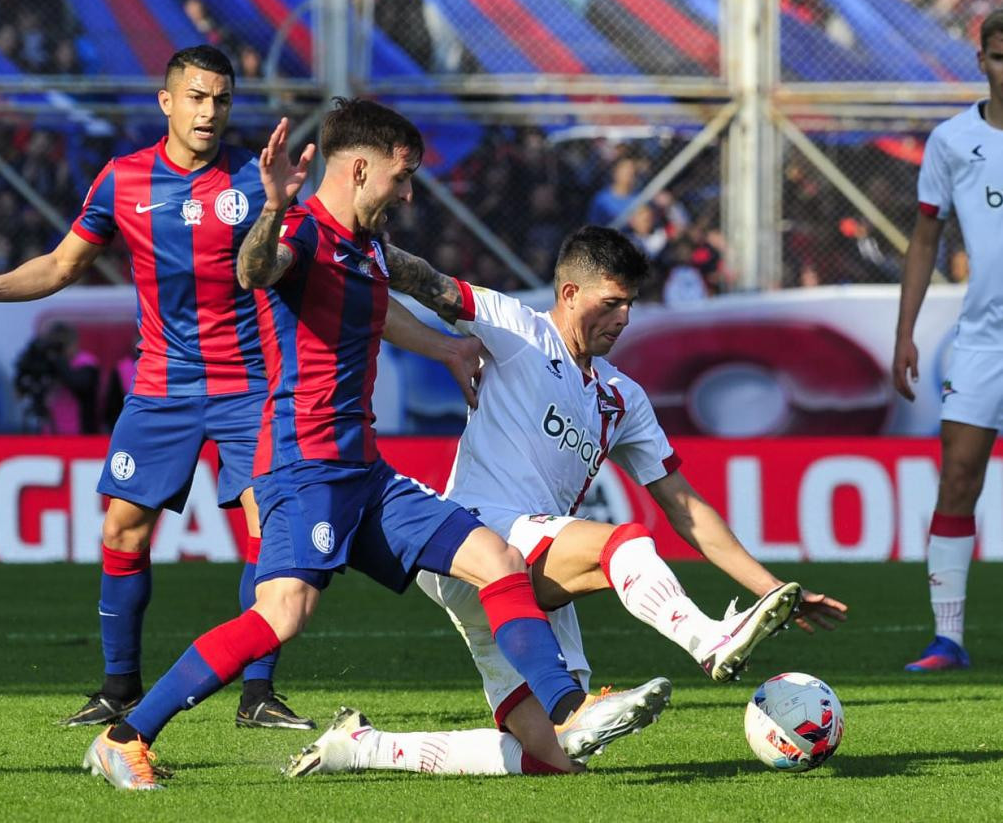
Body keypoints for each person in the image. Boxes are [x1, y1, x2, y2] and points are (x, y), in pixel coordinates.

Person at [80, 99, 670, 790]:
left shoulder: (363, 249)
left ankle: (569, 708)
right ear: (360, 168)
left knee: (498, 557)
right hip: (304, 466)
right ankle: (125, 736)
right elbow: (253, 270)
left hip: (366, 470)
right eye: (402, 175)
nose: (409, 191)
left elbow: (380, 307)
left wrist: (447, 348)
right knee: (283, 612)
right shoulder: (300, 232)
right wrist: (270, 208)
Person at [284, 225, 849, 778]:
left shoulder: (623, 397)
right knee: (623, 543)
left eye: (630, 305)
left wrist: (771, 590)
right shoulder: (516, 327)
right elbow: (430, 283)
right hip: (474, 537)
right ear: (569, 293)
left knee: (556, 754)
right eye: (611, 303)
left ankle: (359, 747)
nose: (622, 319)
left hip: (523, 575)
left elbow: (686, 506)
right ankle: (706, 638)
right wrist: (354, 245)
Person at [0, 46, 329, 730]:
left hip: (250, 386)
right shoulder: (123, 180)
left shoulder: (256, 177)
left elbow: (278, 271)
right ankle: (119, 686)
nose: (209, 112)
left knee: (270, 530)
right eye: (197, 97)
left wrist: (274, 206)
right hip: (162, 386)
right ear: (166, 102)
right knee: (122, 526)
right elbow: (60, 266)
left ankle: (257, 693)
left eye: (222, 100)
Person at [892, 9, 1003, 673]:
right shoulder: (953, 141)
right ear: (982, 58)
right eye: (1000, 53)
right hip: (984, 341)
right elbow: (926, 237)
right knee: (958, 476)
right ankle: (948, 638)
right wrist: (905, 331)